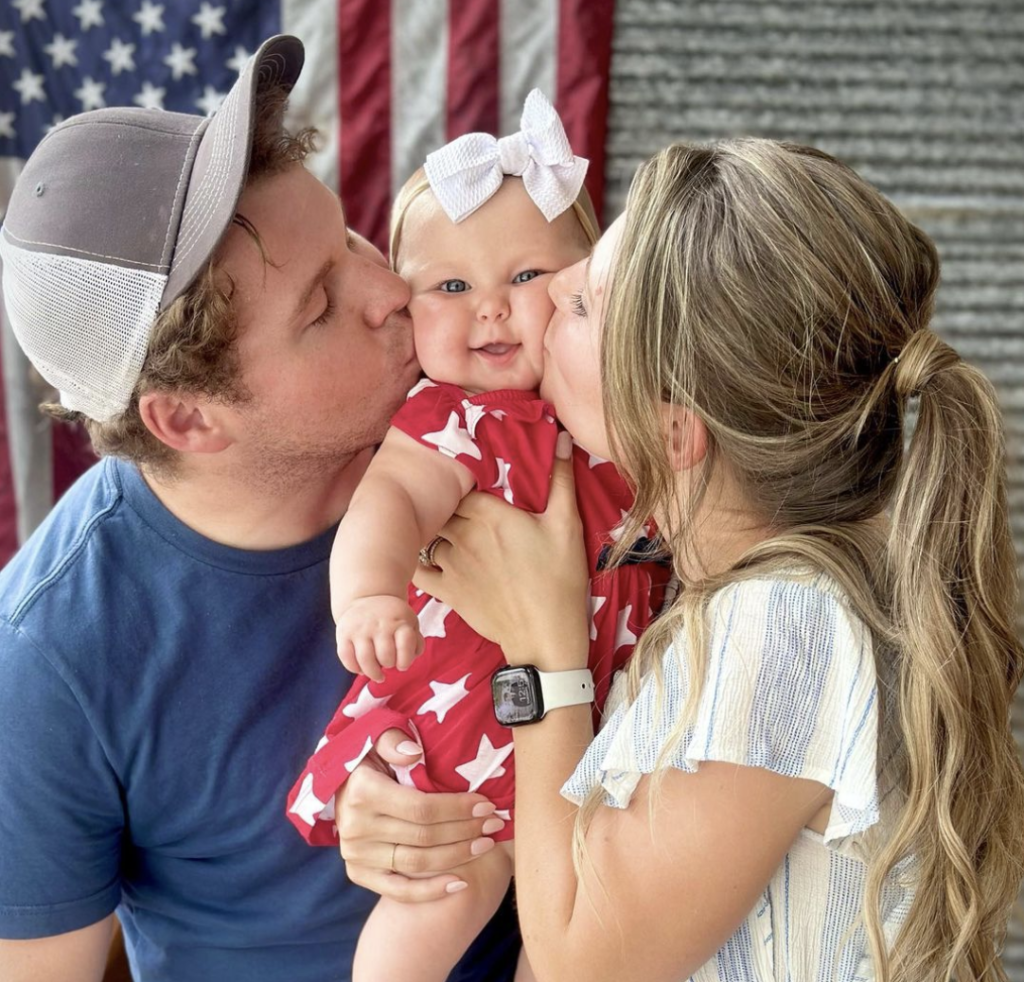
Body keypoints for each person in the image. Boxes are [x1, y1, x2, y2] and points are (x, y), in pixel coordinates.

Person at [356, 140, 1024, 980]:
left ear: (672, 432)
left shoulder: (785, 624)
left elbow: (577, 964)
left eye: (587, 306)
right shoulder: (700, 587)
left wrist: (542, 655)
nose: (551, 287)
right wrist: (405, 802)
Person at [0, 34, 517, 982]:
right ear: (188, 419)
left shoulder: (483, 421)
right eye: (321, 305)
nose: (394, 291)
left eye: (352, 238)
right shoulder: (47, 658)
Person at [285, 92, 669, 982]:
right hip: (469, 727)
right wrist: (373, 592)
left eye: (527, 278)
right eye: (452, 288)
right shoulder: (453, 416)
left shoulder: (619, 415)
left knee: (581, 932)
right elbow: (393, 502)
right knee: (433, 909)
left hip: (606, 732)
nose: (491, 310)